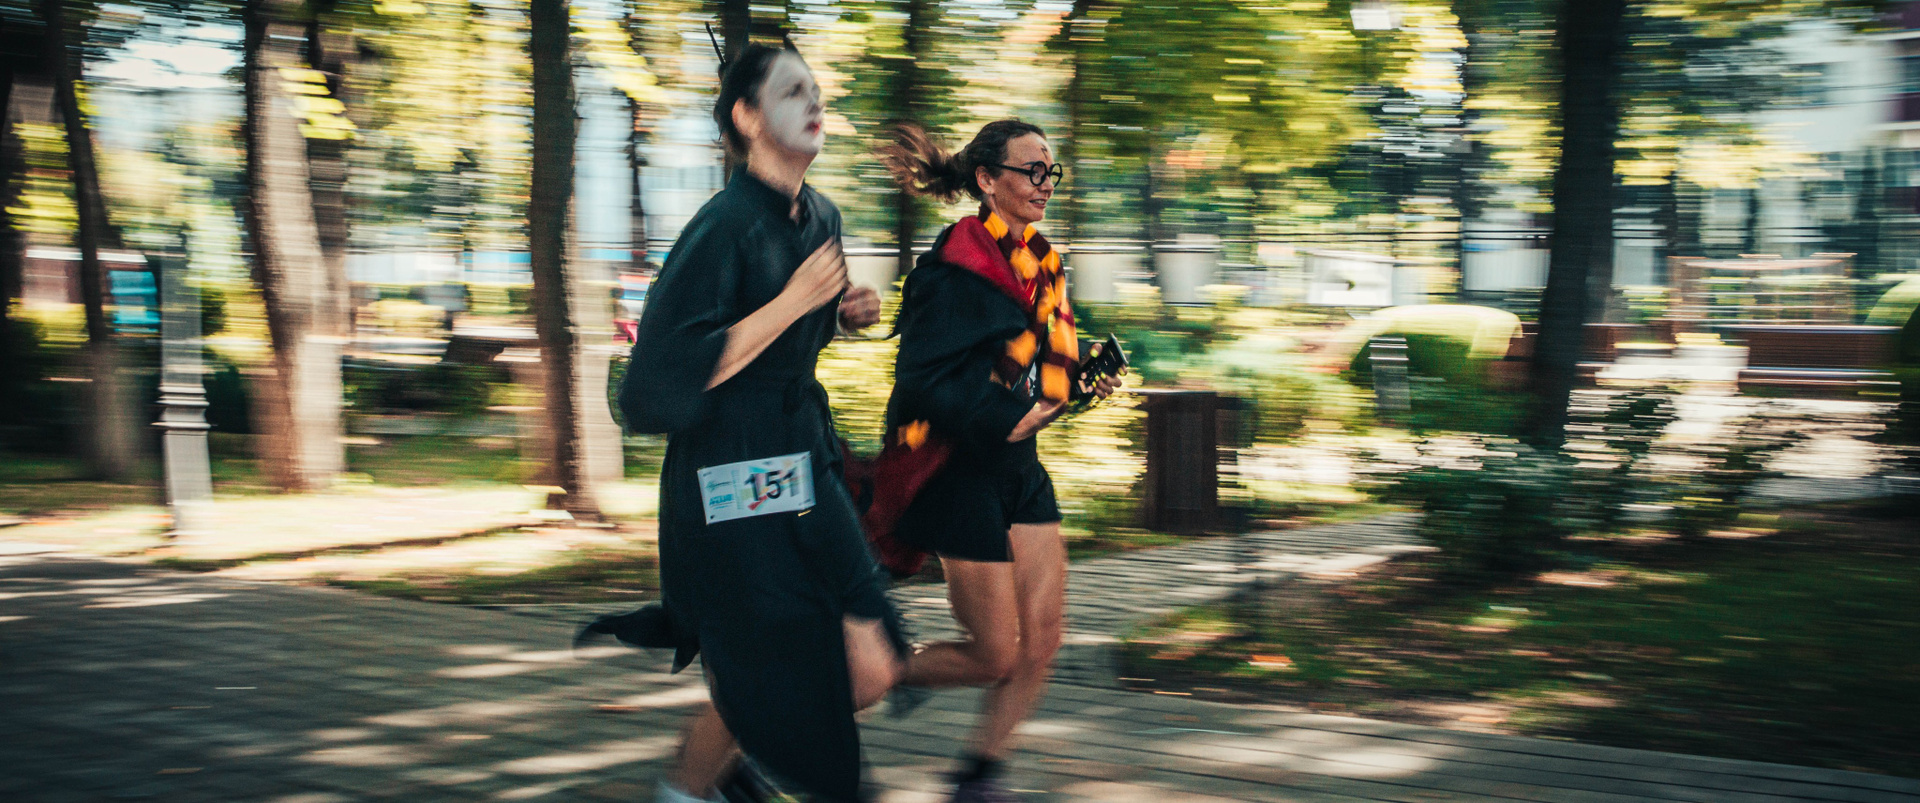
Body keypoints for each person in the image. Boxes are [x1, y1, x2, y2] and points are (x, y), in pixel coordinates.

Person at [614, 42, 902, 803]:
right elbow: (654, 383)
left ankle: (718, 769)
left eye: (816, 90)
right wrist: (793, 302)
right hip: (732, 470)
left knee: (872, 664)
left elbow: (791, 334)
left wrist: (843, 315)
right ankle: (692, 787)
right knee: (778, 661)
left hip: (801, 455)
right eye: (792, 91)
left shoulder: (821, 214)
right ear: (747, 117)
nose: (815, 103)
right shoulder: (722, 226)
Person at [877, 120, 1120, 803]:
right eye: (1032, 170)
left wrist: (1078, 380)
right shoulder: (952, 267)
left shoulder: (1042, 263)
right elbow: (923, 381)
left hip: (1019, 466)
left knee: (1042, 639)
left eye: (1051, 170)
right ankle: (864, 670)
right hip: (959, 471)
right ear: (988, 180)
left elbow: (1032, 367)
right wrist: (1001, 416)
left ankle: (976, 779)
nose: (1046, 183)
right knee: (993, 654)